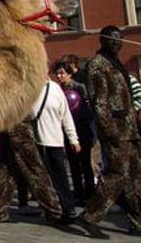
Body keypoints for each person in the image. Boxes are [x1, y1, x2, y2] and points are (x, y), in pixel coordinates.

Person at [77, 26, 141, 239]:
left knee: (139, 176)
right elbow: (99, 103)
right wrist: (109, 131)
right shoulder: (97, 65)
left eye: (118, 39)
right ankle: (89, 216)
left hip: (129, 129)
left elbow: (127, 99)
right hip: (116, 132)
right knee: (117, 175)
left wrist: (137, 124)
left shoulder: (117, 64)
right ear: (102, 41)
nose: (116, 43)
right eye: (111, 39)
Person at [0, 118, 68, 226]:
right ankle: (54, 212)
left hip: (3, 128)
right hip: (20, 130)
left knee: (6, 170)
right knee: (35, 172)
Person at [31, 77, 80, 219]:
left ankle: (67, 208)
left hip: (55, 141)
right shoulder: (30, 88)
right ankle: (50, 208)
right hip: (37, 142)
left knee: (60, 177)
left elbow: (66, 115)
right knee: (41, 179)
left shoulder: (55, 89)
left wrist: (73, 139)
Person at [53, 59, 95, 203]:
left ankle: (90, 191)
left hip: (82, 129)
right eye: (57, 74)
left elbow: (89, 110)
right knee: (73, 163)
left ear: (69, 74)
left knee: (85, 162)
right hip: (66, 131)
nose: (59, 76)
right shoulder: (57, 91)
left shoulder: (80, 88)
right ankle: (78, 191)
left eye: (62, 73)